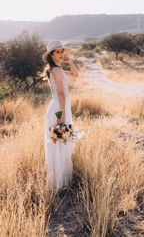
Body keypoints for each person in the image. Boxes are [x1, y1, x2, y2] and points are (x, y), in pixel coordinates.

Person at [42, 40, 79, 191]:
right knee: (59, 143)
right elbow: (61, 94)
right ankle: (59, 182)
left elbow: (75, 75)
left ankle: (61, 181)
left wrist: (70, 62)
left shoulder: (58, 69)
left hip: (61, 108)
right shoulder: (56, 71)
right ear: (51, 55)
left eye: (62, 51)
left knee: (62, 142)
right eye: (57, 52)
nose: (61, 54)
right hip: (59, 109)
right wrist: (61, 115)